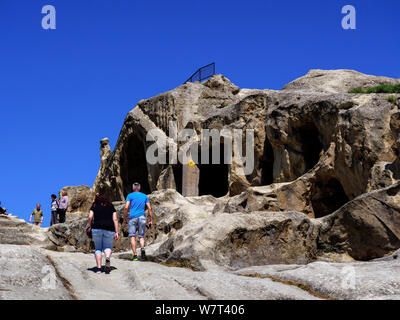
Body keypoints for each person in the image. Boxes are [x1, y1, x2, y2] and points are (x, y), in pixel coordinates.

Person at [88, 194, 119, 274]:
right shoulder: (111, 206)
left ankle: (98, 269)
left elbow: (90, 217)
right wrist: (117, 232)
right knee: (107, 246)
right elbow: (115, 219)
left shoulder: (94, 205)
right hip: (109, 228)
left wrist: (91, 226)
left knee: (98, 248)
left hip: (97, 228)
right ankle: (107, 258)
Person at [123, 182, 153, 261]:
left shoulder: (130, 196)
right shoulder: (144, 196)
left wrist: (124, 218)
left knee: (132, 236)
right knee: (141, 236)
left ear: (133, 188)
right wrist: (150, 220)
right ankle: (142, 249)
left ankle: (135, 255)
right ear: (139, 188)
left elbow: (126, 207)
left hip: (132, 217)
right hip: (142, 217)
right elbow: (149, 208)